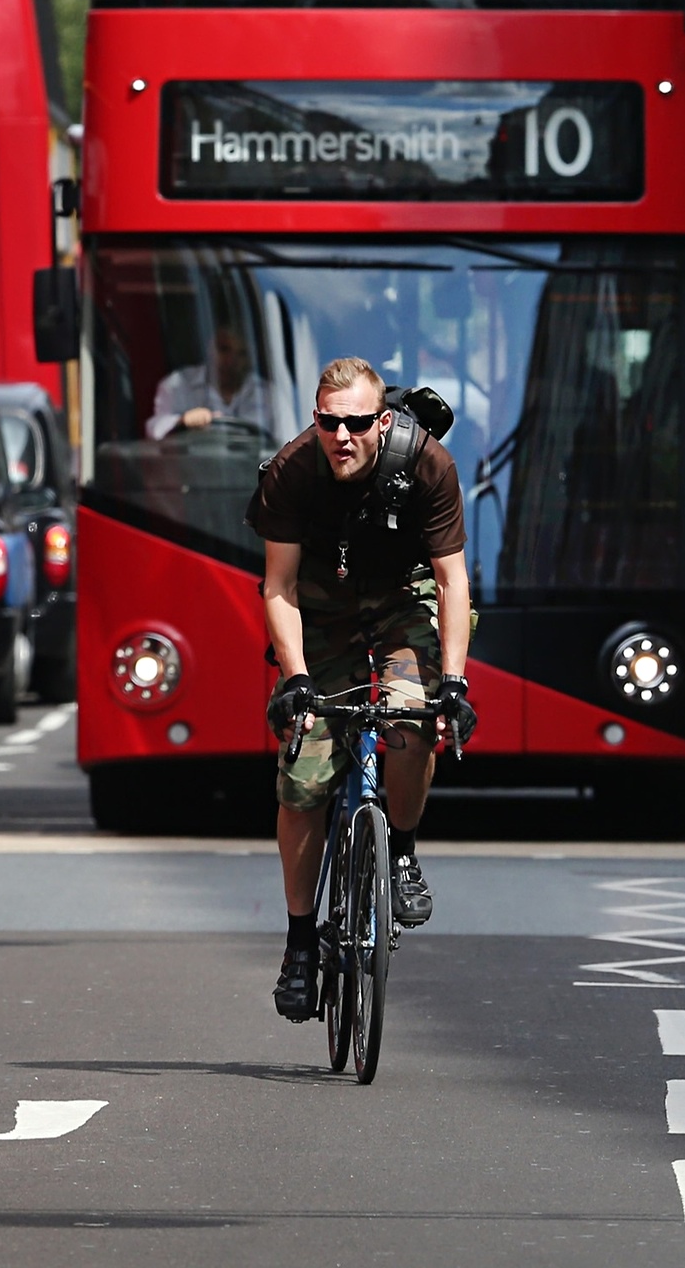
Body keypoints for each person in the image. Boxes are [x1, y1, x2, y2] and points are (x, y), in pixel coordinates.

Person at [246, 356, 476, 1023]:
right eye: (328, 422)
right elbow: (278, 586)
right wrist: (295, 678)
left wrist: (454, 681)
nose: (340, 436)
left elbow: (453, 581)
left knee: (410, 720)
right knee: (303, 781)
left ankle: (400, 851)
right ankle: (298, 945)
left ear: (381, 422)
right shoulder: (292, 472)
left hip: (403, 604)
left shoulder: (428, 465)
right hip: (320, 614)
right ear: (315, 419)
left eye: (354, 424)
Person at [147, 324, 286, 438]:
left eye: (241, 353)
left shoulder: (269, 395)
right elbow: (155, 429)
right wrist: (182, 421)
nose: (231, 361)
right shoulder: (178, 384)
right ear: (209, 348)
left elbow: (286, 441)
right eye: (224, 349)